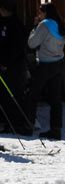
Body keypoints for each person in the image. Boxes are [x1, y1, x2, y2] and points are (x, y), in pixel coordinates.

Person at [26, 2, 65, 140]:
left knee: (32, 95)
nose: (39, 15)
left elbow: (32, 43)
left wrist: (34, 27)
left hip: (45, 65)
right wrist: (61, 42)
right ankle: (55, 130)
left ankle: (28, 126)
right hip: (59, 64)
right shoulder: (59, 24)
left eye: (40, 12)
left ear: (44, 13)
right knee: (55, 99)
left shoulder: (44, 25)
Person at [0, 0, 29, 134]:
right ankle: (5, 122)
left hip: (13, 67)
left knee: (12, 95)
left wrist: (6, 63)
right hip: (4, 65)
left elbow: (16, 48)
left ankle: (15, 124)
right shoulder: (2, 22)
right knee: (3, 96)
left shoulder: (16, 25)